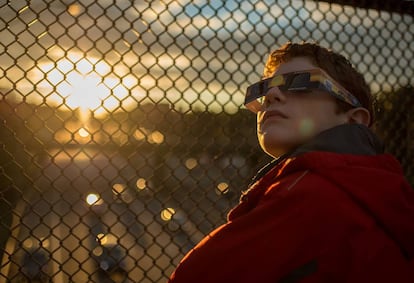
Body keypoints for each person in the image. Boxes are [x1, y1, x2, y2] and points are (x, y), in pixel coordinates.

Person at [168, 42, 414, 283]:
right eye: (264, 90)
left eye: (300, 83)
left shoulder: (308, 191)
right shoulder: (383, 191)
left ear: (353, 120)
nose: (272, 95)